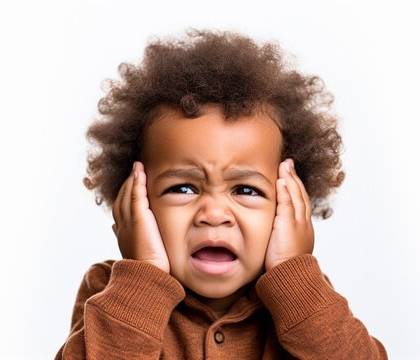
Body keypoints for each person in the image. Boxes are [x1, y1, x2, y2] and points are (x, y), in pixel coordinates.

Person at [56, 30, 387, 359]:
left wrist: (295, 278)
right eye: (182, 188)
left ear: (287, 208)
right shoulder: (116, 293)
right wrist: (143, 277)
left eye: (245, 189)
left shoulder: (304, 301)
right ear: (135, 201)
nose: (214, 214)